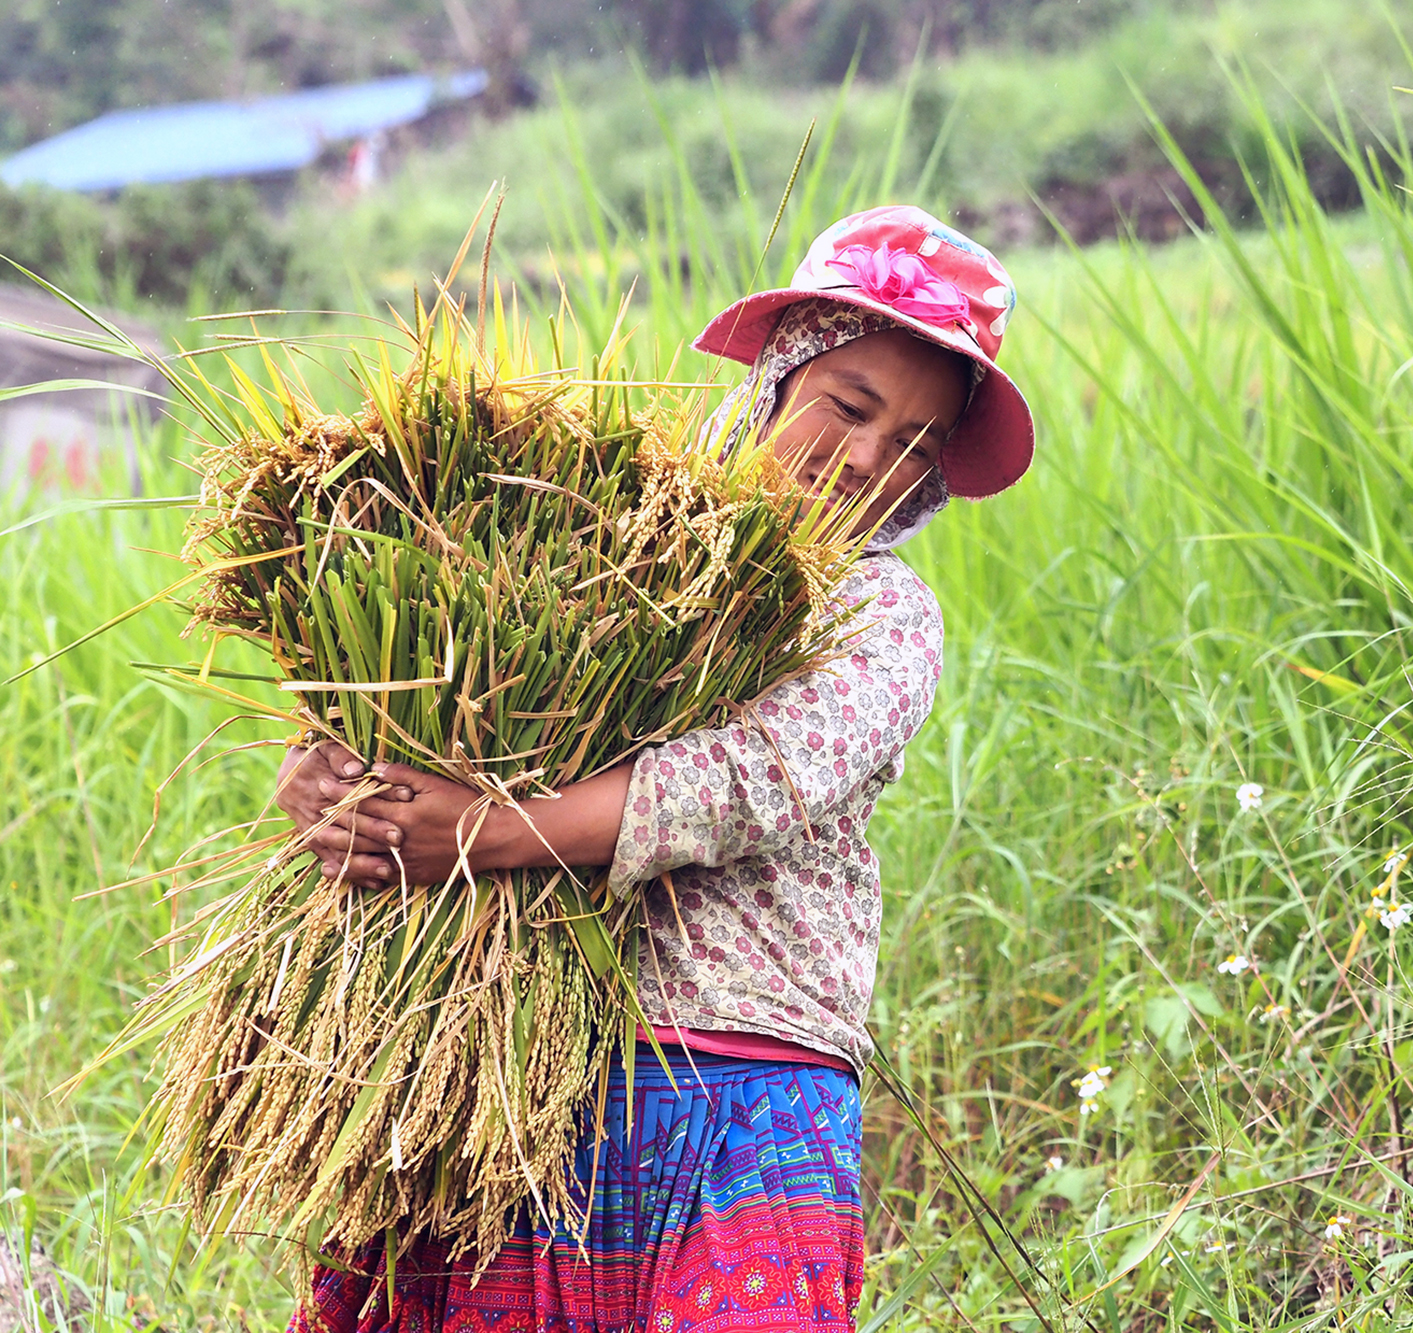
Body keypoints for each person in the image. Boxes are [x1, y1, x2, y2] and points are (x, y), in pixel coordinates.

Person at [275, 204, 1034, 1333]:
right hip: (520, 1073)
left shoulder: (881, 614)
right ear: (777, 379)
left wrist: (482, 835)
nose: (871, 458)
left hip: (743, 1090)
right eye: (849, 405)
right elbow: (457, 712)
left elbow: (746, 778)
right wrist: (342, 783)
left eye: (918, 441)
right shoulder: (605, 553)